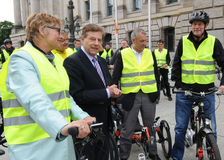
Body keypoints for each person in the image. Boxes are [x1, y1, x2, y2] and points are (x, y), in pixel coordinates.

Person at [0, 13, 95, 160]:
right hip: (32, 147)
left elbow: (64, 97)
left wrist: (83, 116)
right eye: (58, 30)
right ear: (43, 30)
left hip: (60, 141)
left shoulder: (55, 59)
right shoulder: (21, 59)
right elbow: (34, 99)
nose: (62, 35)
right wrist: (62, 126)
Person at [171, 10, 224, 160]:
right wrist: (177, 83)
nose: (196, 27)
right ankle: (176, 156)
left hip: (207, 91)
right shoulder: (183, 41)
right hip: (185, 92)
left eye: (200, 24)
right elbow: (177, 63)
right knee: (180, 128)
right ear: (191, 26)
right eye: (194, 24)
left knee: (212, 129)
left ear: (205, 26)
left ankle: (212, 154)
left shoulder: (213, 41)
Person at [63, 24, 122, 160]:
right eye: (92, 39)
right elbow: (77, 96)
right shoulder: (72, 62)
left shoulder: (101, 61)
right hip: (86, 126)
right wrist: (107, 92)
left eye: (99, 40)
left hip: (105, 124)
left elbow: (105, 85)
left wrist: (113, 92)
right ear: (82, 39)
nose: (96, 43)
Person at [112, 28, 161, 160]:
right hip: (130, 97)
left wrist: (157, 92)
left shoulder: (150, 53)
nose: (145, 43)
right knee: (127, 129)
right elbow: (115, 76)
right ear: (133, 40)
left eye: (145, 40)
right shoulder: (122, 54)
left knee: (150, 127)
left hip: (149, 95)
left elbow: (156, 75)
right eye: (142, 41)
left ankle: (153, 153)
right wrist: (114, 95)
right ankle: (123, 156)